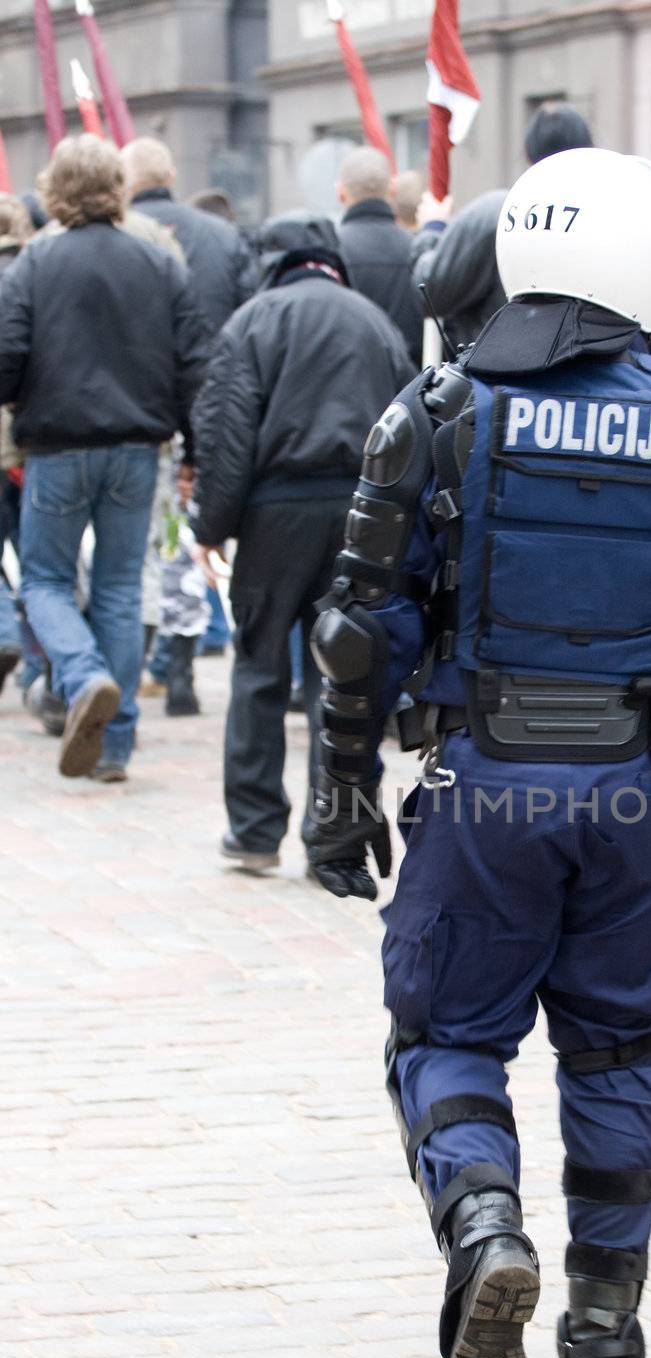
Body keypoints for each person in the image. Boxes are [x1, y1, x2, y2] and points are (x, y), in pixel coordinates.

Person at [306, 147, 651, 1358]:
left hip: (486, 790)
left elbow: (360, 634)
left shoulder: (433, 414)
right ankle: (601, 1324)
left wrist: (334, 791)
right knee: (620, 1043)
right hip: (644, 792)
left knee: (446, 1034)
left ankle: (485, 1232)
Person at [189, 214, 414, 871]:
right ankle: (332, 835)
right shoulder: (372, 321)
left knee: (260, 666)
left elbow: (227, 435)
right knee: (342, 673)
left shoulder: (253, 321)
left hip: (273, 512)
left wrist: (210, 526)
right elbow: (408, 426)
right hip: (360, 513)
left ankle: (256, 831)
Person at [0, 136, 209, 782]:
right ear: (118, 188)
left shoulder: (33, 265)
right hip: (137, 447)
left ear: (55, 190)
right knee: (120, 588)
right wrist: (192, 450)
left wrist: (19, 401)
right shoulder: (159, 263)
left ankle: (84, 676)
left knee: (44, 582)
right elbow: (193, 367)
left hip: (59, 445)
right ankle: (115, 744)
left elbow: (7, 357)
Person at [410, 102, 593, 350]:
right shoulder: (606, 217)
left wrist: (431, 230)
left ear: (528, 152)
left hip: (501, 375)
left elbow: (431, 291)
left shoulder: (497, 214)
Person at [122, 138, 257, 339]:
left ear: (123, 181)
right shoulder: (225, 233)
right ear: (171, 176)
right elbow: (250, 309)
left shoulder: (114, 232)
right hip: (212, 359)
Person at [336, 148, 423, 366]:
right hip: (411, 389)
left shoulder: (330, 254)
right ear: (392, 189)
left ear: (341, 193)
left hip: (349, 386)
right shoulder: (419, 251)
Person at [0, 195, 33, 696]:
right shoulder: (34, 270)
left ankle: (6, 632)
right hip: (34, 442)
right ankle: (48, 671)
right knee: (44, 565)